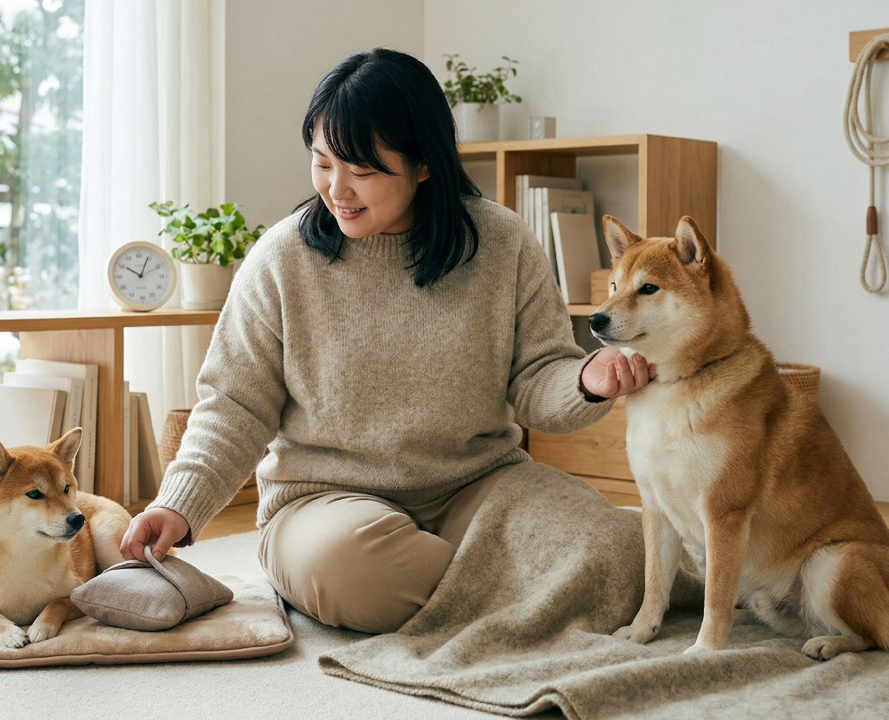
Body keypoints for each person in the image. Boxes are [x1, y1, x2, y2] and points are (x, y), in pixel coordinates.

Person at [120, 48, 653, 633]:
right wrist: (177, 502)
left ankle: (510, 593)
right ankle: (536, 592)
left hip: (480, 487)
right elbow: (234, 404)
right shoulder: (282, 258)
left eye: (363, 171)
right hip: (325, 506)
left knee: (613, 546)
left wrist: (585, 379)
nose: (336, 190)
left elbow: (536, 378)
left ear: (424, 163)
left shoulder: (503, 242)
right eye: (322, 163)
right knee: (352, 573)